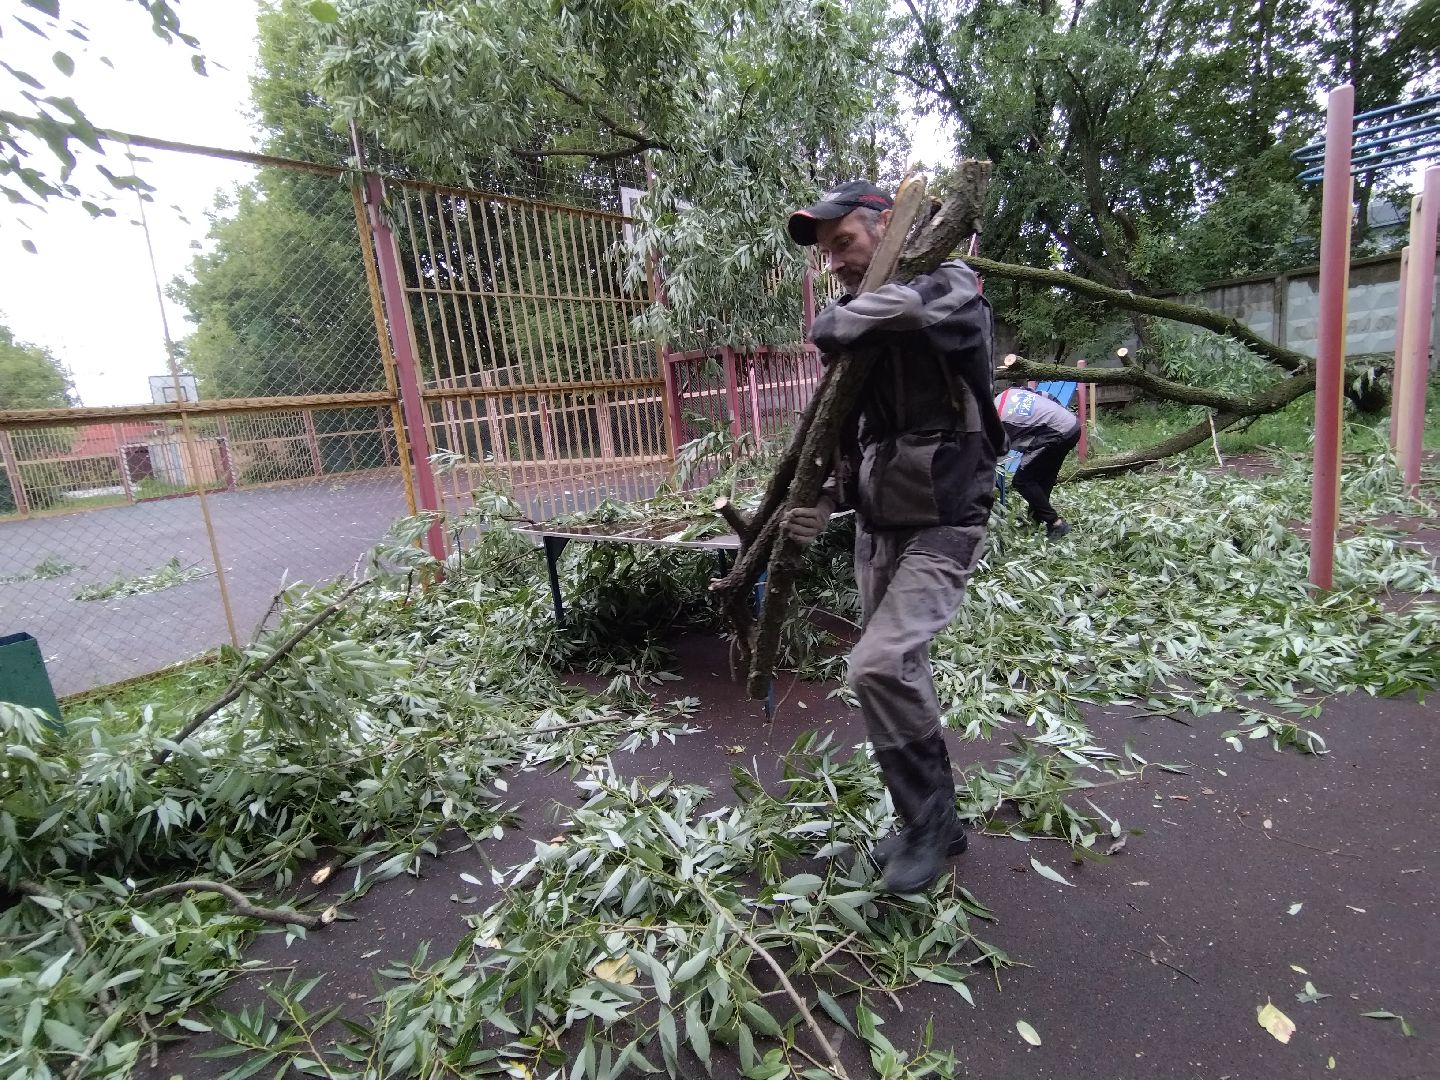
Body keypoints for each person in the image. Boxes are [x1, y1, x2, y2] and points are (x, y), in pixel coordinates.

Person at [782, 180, 1005, 894]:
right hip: (879, 520)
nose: (836, 263)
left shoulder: (954, 286)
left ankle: (931, 825)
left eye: (844, 243)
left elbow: (912, 310)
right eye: (827, 254)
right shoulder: (859, 319)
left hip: (946, 515)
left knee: (876, 665)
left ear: (890, 228)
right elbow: (847, 424)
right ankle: (930, 821)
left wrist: (839, 321)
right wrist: (821, 500)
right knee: (897, 672)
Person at [995, 384, 1080, 538]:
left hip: (1055, 435)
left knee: (1022, 480)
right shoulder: (1008, 393)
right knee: (1043, 478)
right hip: (1071, 425)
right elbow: (1045, 395)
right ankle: (1035, 522)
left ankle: (1056, 523)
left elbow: (997, 455)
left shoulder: (1000, 423)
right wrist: (1058, 415)